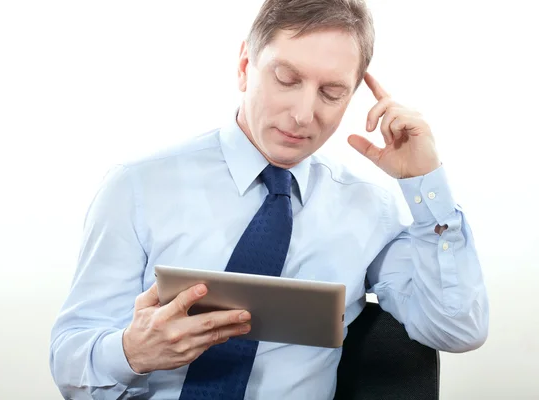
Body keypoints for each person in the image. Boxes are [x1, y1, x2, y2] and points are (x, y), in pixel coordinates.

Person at [49, 0, 489, 398]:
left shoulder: (368, 209)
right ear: (244, 66)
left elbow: (456, 327)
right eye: (286, 78)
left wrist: (425, 183)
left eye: (331, 93)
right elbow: (70, 358)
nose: (302, 114)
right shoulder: (137, 187)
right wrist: (131, 352)